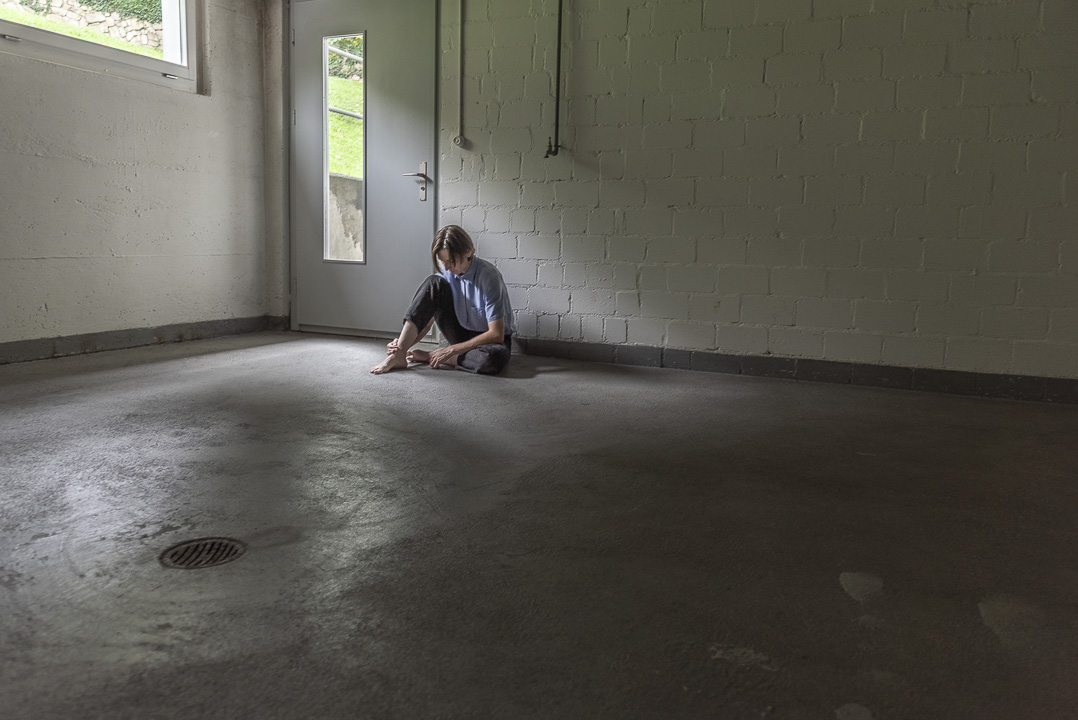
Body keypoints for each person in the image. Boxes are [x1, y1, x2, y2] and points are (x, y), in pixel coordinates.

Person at [370, 225, 516, 376]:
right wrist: (402, 346)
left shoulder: (489, 277)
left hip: (490, 341)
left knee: (492, 359)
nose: (446, 267)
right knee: (433, 282)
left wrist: (450, 349)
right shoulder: (447, 273)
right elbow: (426, 323)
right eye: (442, 261)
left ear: (468, 252)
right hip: (461, 333)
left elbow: (496, 334)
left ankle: (432, 356)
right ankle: (398, 356)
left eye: (450, 261)